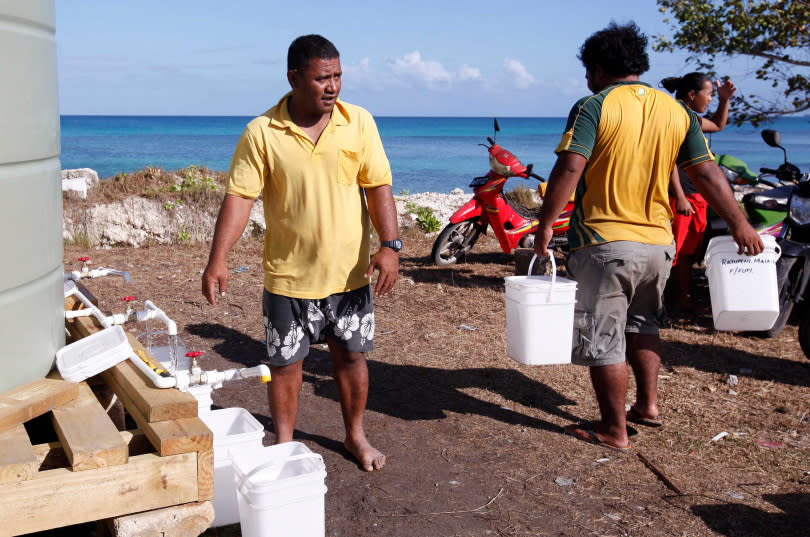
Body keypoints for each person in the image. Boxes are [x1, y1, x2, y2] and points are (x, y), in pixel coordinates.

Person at [533, 22, 763, 451]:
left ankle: (613, 430)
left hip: (604, 241)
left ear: (600, 68)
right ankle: (648, 406)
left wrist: (547, 223)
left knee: (602, 335)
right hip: (659, 244)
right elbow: (706, 173)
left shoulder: (593, 105)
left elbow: (570, 167)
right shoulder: (677, 111)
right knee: (644, 324)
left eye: (588, 71)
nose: (587, 79)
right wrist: (739, 222)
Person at [202, 34, 401, 472]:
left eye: (338, 76)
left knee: (351, 358)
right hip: (288, 278)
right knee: (286, 364)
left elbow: (378, 186)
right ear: (294, 78)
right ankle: (285, 444)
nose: (333, 86)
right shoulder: (262, 132)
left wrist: (390, 245)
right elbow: (239, 198)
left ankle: (355, 436)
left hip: (349, 277)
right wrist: (218, 258)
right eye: (322, 78)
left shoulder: (359, 122)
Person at [661, 73, 738, 314]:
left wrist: (725, 100)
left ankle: (683, 300)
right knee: (676, 253)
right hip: (681, 196)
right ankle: (664, 304)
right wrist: (680, 195)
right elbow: (670, 160)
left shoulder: (691, 118)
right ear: (692, 95)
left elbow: (717, 125)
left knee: (688, 254)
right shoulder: (675, 117)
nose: (710, 100)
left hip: (696, 195)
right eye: (710, 95)